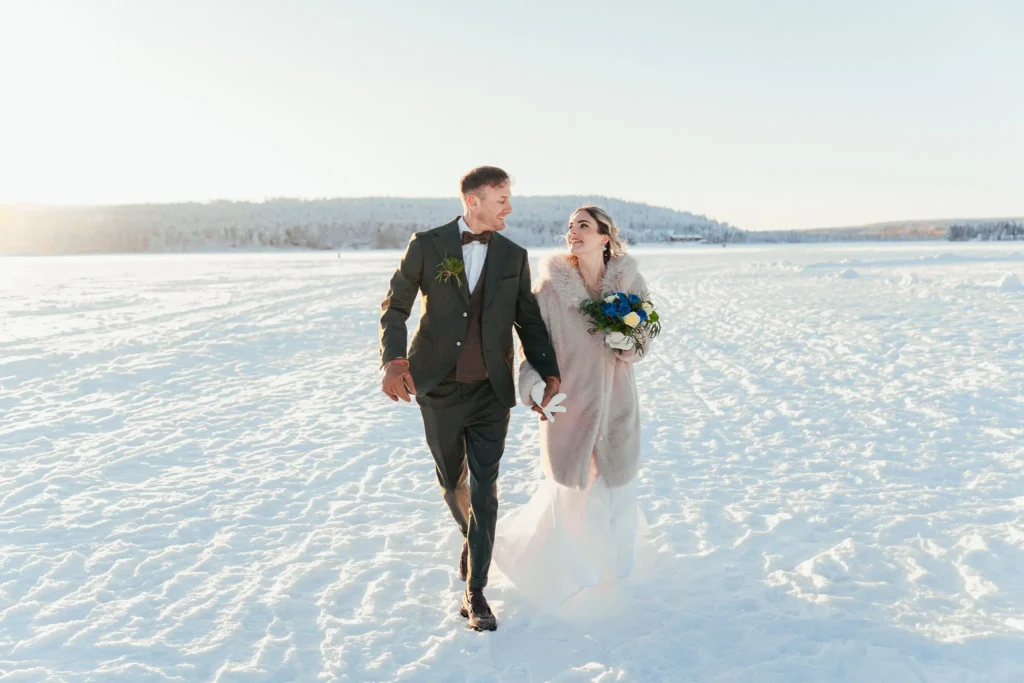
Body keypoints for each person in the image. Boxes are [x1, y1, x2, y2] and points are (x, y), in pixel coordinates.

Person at [378, 166, 561, 631]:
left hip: (490, 392)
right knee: (449, 478)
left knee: (485, 486)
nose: (509, 208)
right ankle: (472, 536)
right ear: (473, 201)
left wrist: (548, 371)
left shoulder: (513, 256)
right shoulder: (428, 245)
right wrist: (394, 361)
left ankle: (475, 589)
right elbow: (396, 306)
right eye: (502, 199)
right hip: (436, 385)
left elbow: (529, 321)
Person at [494, 206, 652, 607]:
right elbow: (532, 351)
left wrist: (629, 344)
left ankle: (611, 574)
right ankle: (568, 574)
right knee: (573, 493)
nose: (572, 233)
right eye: (569, 227)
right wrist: (533, 388)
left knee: (616, 490)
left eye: (583, 226)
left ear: (604, 237)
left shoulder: (631, 283)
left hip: (617, 407)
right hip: (570, 406)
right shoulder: (548, 291)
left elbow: (645, 339)